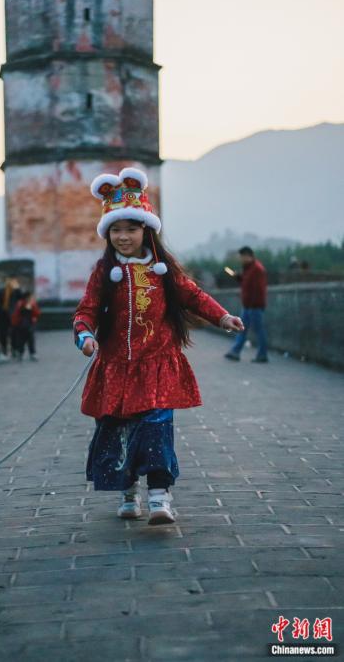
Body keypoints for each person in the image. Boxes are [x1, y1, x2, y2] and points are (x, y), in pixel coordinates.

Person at [73, 168, 244, 525]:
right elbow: (86, 310)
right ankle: (127, 490)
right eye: (116, 230)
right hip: (116, 368)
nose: (123, 237)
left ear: (146, 230)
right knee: (118, 430)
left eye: (131, 229)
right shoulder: (104, 272)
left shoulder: (163, 270)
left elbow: (193, 296)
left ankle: (159, 495)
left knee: (156, 429)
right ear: (107, 234)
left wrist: (223, 317)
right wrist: (85, 336)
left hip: (157, 364)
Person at [224, 246, 268, 363]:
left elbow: (259, 289)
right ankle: (235, 352)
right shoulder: (248, 269)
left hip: (254, 307)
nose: (241, 259)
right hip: (248, 306)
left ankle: (262, 354)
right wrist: (237, 277)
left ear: (248, 256)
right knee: (241, 329)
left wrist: (253, 304)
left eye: (242, 257)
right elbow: (245, 282)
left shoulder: (257, 269)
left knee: (259, 331)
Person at [0, 276, 22, 355]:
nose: (12, 283)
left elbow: (21, 298)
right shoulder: (0, 292)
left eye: (15, 282)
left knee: (14, 333)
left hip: (13, 316)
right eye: (11, 281)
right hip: (2, 317)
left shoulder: (15, 292)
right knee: (3, 334)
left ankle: (14, 349)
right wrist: (3, 310)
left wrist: (17, 288)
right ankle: (4, 350)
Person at [11, 291, 40, 361]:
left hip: (26, 325)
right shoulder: (23, 304)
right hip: (23, 325)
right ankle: (24, 353)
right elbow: (17, 314)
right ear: (27, 297)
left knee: (28, 340)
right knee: (24, 340)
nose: (32, 298)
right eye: (30, 297)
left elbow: (37, 313)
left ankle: (28, 353)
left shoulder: (28, 304)